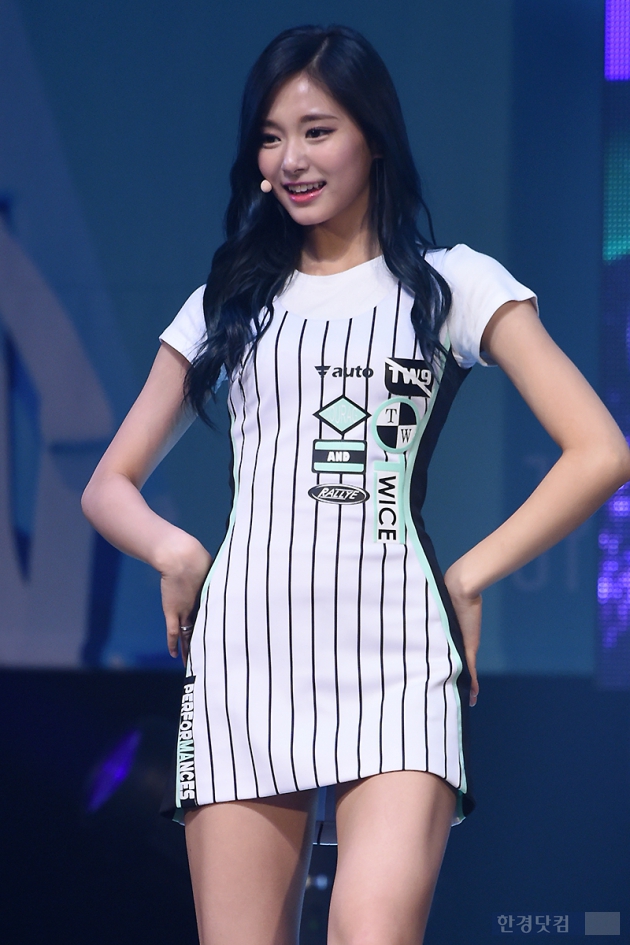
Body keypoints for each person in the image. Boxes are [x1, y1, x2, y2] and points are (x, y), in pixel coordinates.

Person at [81, 24, 630, 945]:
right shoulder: (228, 302)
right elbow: (108, 484)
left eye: (317, 130)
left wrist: (469, 575)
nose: (291, 159)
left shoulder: (453, 285)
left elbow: (600, 450)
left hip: (399, 656)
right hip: (244, 658)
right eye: (270, 137)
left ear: (374, 136)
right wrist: (173, 550)